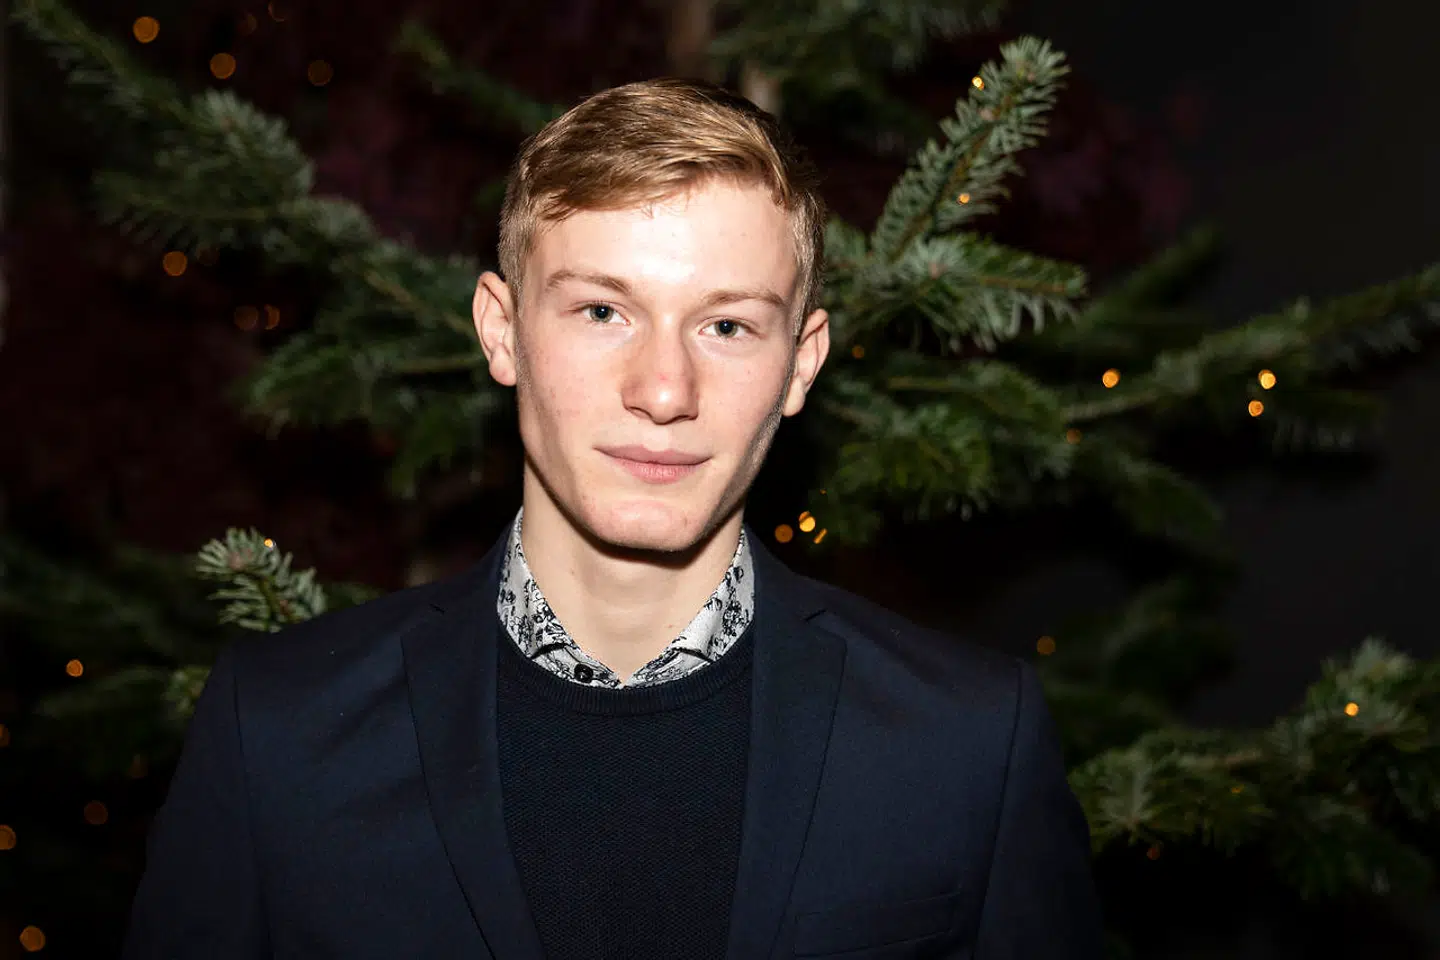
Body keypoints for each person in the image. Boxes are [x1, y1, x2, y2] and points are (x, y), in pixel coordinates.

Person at [123, 78, 1104, 959]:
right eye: (602, 312)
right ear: (502, 331)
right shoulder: (278, 732)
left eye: (727, 325)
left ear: (801, 363)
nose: (665, 390)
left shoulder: (968, 744)